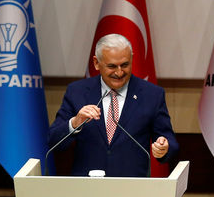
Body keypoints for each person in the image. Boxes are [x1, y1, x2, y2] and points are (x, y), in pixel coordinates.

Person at [47, 34, 179, 177]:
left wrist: (164, 147)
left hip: (132, 189)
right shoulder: (77, 92)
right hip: (86, 190)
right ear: (96, 63)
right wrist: (75, 123)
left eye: (125, 65)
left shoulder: (152, 95)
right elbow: (54, 140)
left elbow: (169, 140)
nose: (119, 72)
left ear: (132, 59)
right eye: (111, 66)